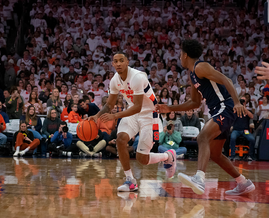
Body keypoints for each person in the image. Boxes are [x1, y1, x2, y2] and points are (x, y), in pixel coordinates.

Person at [156, 39, 255, 196]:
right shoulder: (192, 74)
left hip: (225, 107)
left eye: (181, 54)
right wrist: (169, 108)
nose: (180, 57)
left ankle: (199, 178)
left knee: (202, 137)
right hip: (219, 110)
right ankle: (243, 182)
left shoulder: (201, 67)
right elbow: (195, 103)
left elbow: (226, 80)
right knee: (215, 154)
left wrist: (237, 102)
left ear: (185, 55)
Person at [90, 52, 177, 192]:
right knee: (120, 140)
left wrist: (115, 116)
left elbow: (138, 106)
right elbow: (109, 105)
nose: (118, 63)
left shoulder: (137, 77)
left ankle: (168, 156)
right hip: (132, 112)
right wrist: (97, 115)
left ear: (127, 62)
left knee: (141, 158)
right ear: (112, 64)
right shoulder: (114, 80)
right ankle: (130, 180)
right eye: (115, 61)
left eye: (121, 60)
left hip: (149, 114)